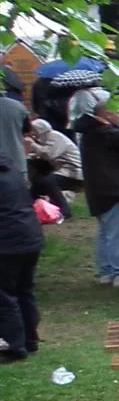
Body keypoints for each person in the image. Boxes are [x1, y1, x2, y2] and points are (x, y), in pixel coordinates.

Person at [73, 89, 119, 288]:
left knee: (106, 233)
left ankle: (106, 271)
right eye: (118, 111)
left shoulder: (89, 133)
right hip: (114, 190)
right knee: (118, 235)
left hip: (98, 191)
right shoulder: (106, 133)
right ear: (106, 114)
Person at [0, 151, 44, 361]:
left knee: (5, 296)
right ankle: (30, 340)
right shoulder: (11, 170)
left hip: (7, 241)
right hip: (29, 235)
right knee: (24, 291)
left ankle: (14, 346)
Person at [25, 117, 81, 217]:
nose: (32, 134)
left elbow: (49, 154)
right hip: (61, 168)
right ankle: (34, 205)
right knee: (36, 179)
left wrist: (33, 145)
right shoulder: (45, 139)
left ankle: (64, 210)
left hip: (73, 171)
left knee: (49, 181)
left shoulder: (55, 136)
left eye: (34, 131)